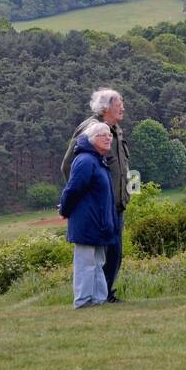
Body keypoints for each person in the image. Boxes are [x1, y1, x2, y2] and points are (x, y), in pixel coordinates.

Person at [63, 88, 130, 302]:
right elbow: (68, 166)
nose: (123, 107)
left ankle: (104, 294)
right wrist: (84, 199)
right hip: (99, 207)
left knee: (113, 253)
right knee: (96, 255)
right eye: (119, 103)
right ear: (105, 107)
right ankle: (93, 298)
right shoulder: (91, 130)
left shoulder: (115, 130)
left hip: (116, 204)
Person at [59, 121, 118, 308]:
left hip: (99, 223)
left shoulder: (98, 161)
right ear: (92, 140)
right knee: (86, 263)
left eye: (109, 135)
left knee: (98, 262)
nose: (109, 138)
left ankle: (98, 299)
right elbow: (73, 189)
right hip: (86, 222)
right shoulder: (85, 160)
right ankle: (83, 301)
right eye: (104, 135)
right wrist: (64, 210)